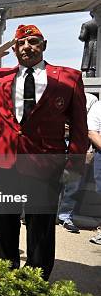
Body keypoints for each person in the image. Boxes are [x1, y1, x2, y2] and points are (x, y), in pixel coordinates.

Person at [0, 24, 87, 281]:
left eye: (34, 41)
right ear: (14, 49)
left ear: (44, 45)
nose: (27, 47)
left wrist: (74, 166)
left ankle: (37, 275)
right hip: (5, 161)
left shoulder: (68, 77)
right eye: (21, 43)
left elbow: (79, 126)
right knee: (6, 220)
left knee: (41, 224)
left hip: (46, 162)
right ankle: (7, 269)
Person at [58, 92, 98, 233]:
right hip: (55, 141)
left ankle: (65, 216)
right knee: (47, 180)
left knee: (73, 181)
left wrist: (89, 149)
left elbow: (92, 124)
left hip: (78, 142)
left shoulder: (91, 99)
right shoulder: (55, 94)